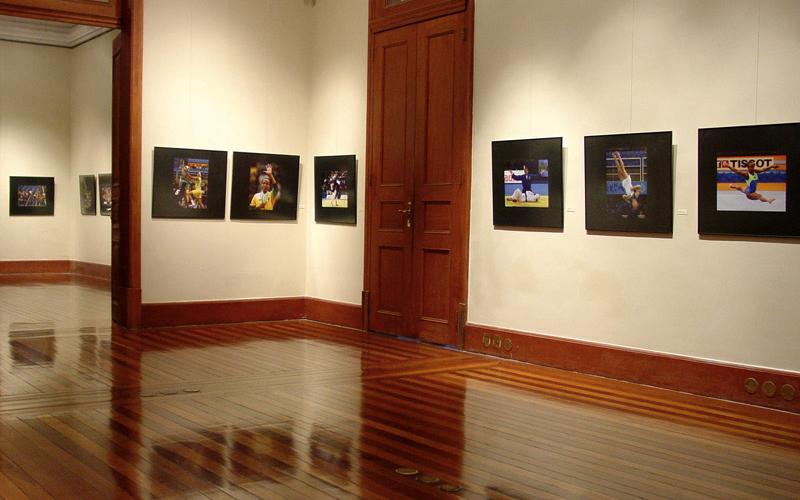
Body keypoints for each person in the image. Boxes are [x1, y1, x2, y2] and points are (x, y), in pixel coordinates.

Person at [612, 151, 644, 218]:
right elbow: (639, 187)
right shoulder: (636, 196)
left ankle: (614, 157)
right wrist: (633, 188)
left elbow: (623, 196)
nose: (634, 204)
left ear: (632, 205)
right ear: (637, 203)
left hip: (623, 183)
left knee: (618, 169)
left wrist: (626, 197)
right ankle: (618, 155)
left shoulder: (629, 201)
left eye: (633, 205)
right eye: (635, 205)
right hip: (628, 181)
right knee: (622, 168)